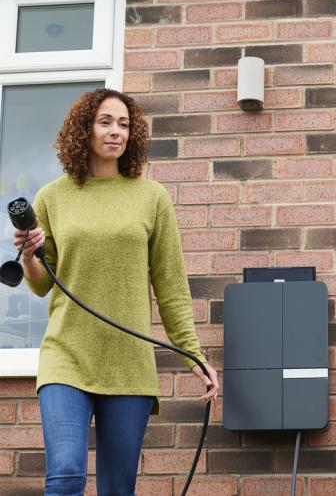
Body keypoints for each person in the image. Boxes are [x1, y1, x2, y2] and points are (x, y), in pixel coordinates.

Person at [13, 88, 219, 495]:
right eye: (105, 122)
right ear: (83, 130)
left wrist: (192, 354)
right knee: (67, 473)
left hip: (128, 364)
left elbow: (171, 285)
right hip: (66, 355)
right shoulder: (53, 197)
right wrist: (28, 255)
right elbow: (40, 284)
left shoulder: (151, 197)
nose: (115, 132)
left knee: (117, 488)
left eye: (124, 124)